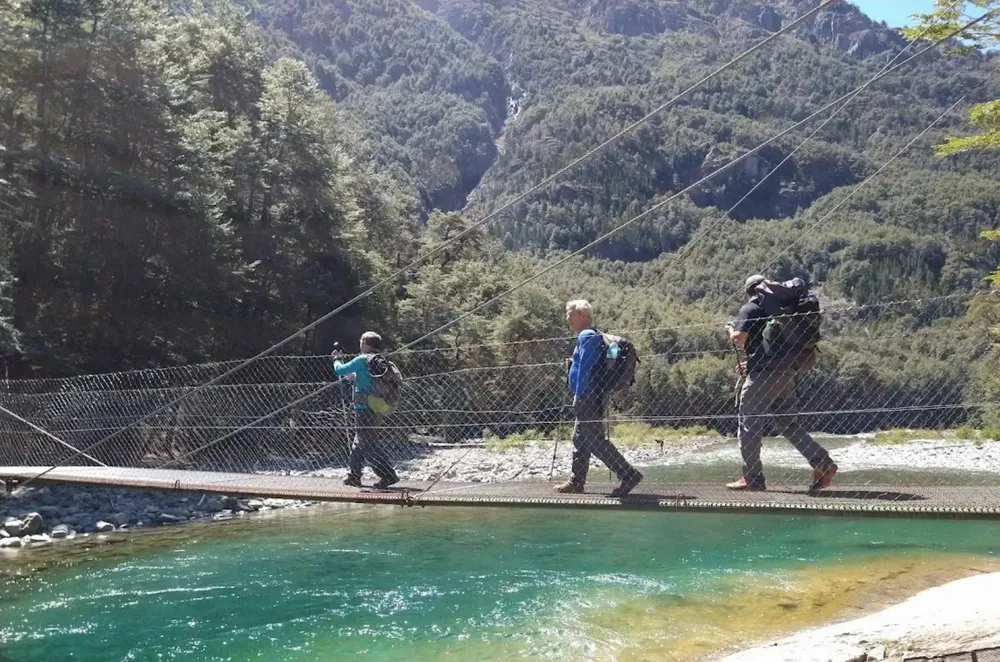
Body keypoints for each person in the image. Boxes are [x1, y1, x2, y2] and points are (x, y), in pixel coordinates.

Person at [725, 275, 838, 491]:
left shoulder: (750, 309)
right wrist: (752, 362)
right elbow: (772, 345)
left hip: (764, 374)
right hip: (785, 371)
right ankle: (822, 463)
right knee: (787, 423)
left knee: (748, 423)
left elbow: (739, 338)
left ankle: (752, 478)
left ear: (749, 291)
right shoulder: (782, 310)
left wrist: (730, 329)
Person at [556, 299, 643, 497]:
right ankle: (576, 482)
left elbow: (585, 369)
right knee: (579, 438)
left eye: (571, 313)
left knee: (594, 440)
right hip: (593, 394)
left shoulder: (587, 335)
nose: (567, 317)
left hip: (588, 396)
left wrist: (578, 395)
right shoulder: (591, 336)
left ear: (583, 316)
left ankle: (628, 474)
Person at [333, 331, 399, 489]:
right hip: (377, 406)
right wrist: (356, 378)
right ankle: (354, 476)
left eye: (361, 341)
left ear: (365, 344)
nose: (360, 344)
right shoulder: (379, 360)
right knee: (360, 443)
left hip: (364, 409)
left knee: (368, 445)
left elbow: (340, 370)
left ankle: (388, 476)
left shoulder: (363, 359)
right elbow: (369, 381)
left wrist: (336, 359)